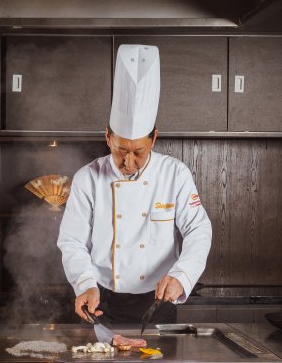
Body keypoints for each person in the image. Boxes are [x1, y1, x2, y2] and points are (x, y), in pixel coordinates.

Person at [57, 44, 212, 325]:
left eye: (138, 152)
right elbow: (72, 241)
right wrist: (84, 283)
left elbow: (198, 230)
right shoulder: (87, 178)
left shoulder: (175, 174)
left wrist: (182, 276)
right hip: (100, 300)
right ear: (107, 137)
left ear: (154, 139)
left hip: (158, 301)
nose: (128, 162)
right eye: (120, 150)